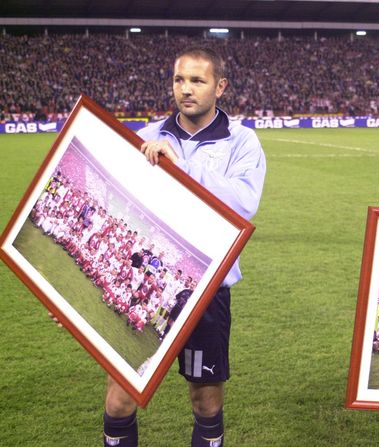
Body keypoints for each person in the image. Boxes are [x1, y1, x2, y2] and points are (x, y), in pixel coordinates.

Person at [102, 47, 266, 447]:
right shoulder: (145, 138)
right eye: (179, 80)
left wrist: (181, 167)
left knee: (205, 402)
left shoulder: (242, 142)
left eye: (197, 80)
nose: (186, 89)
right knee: (121, 397)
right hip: (148, 284)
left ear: (220, 86)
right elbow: (114, 206)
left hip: (208, 291)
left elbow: (242, 204)